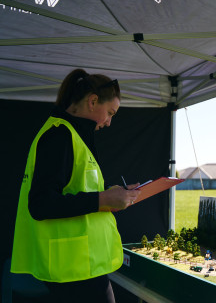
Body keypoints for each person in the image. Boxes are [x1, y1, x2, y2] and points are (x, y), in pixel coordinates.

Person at [10, 69, 141, 303]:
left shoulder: (70, 135)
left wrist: (110, 195)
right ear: (92, 101)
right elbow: (41, 204)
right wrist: (103, 200)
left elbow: (73, 192)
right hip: (71, 266)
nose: (109, 122)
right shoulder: (60, 136)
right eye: (110, 113)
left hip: (78, 264)